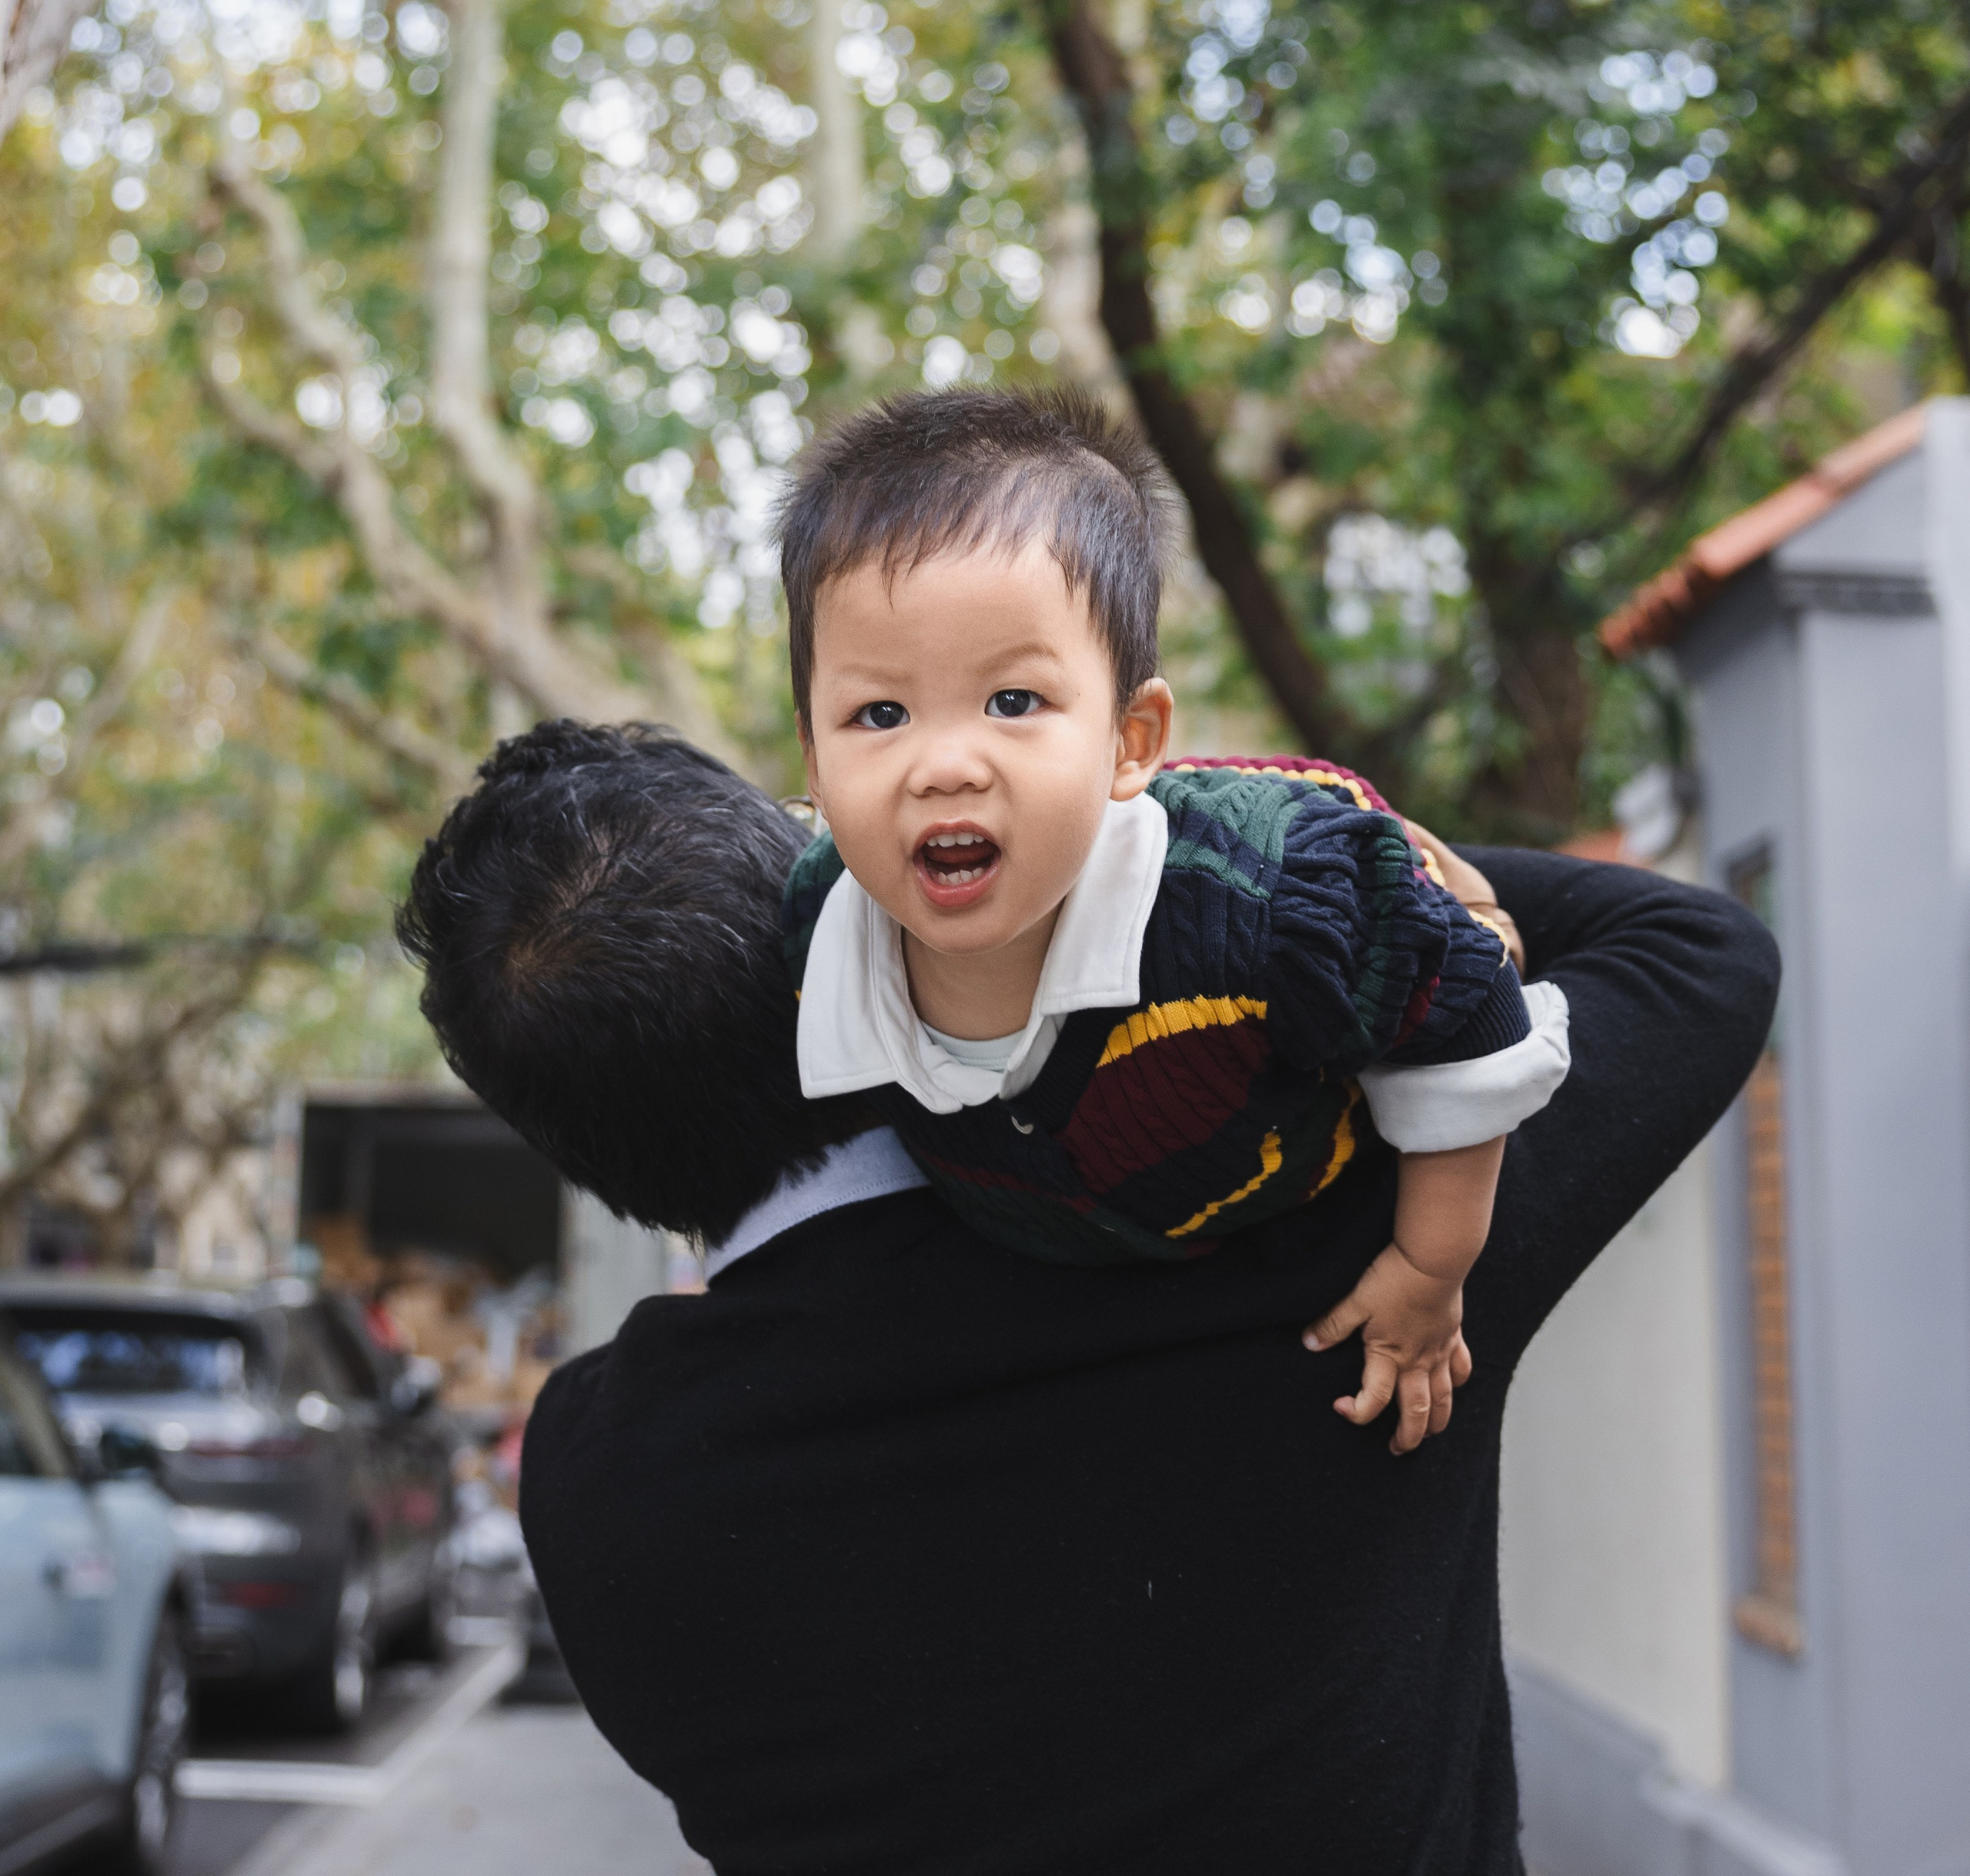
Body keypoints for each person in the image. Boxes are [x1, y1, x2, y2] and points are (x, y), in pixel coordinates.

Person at [399, 719, 1778, 1876]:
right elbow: (1692, 948)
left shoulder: (595, 1490)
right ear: (846, 912)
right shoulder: (1328, 1212)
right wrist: (1163, 844)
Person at [779, 387, 1568, 1444]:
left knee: (1454, 946)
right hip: (1123, 1218)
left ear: (1131, 738)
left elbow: (1472, 1020)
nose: (944, 765)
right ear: (813, 761)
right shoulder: (818, 934)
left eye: (1014, 701)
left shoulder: (1268, 915)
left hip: (1352, 975)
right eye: (880, 713)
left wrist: (1431, 1269)